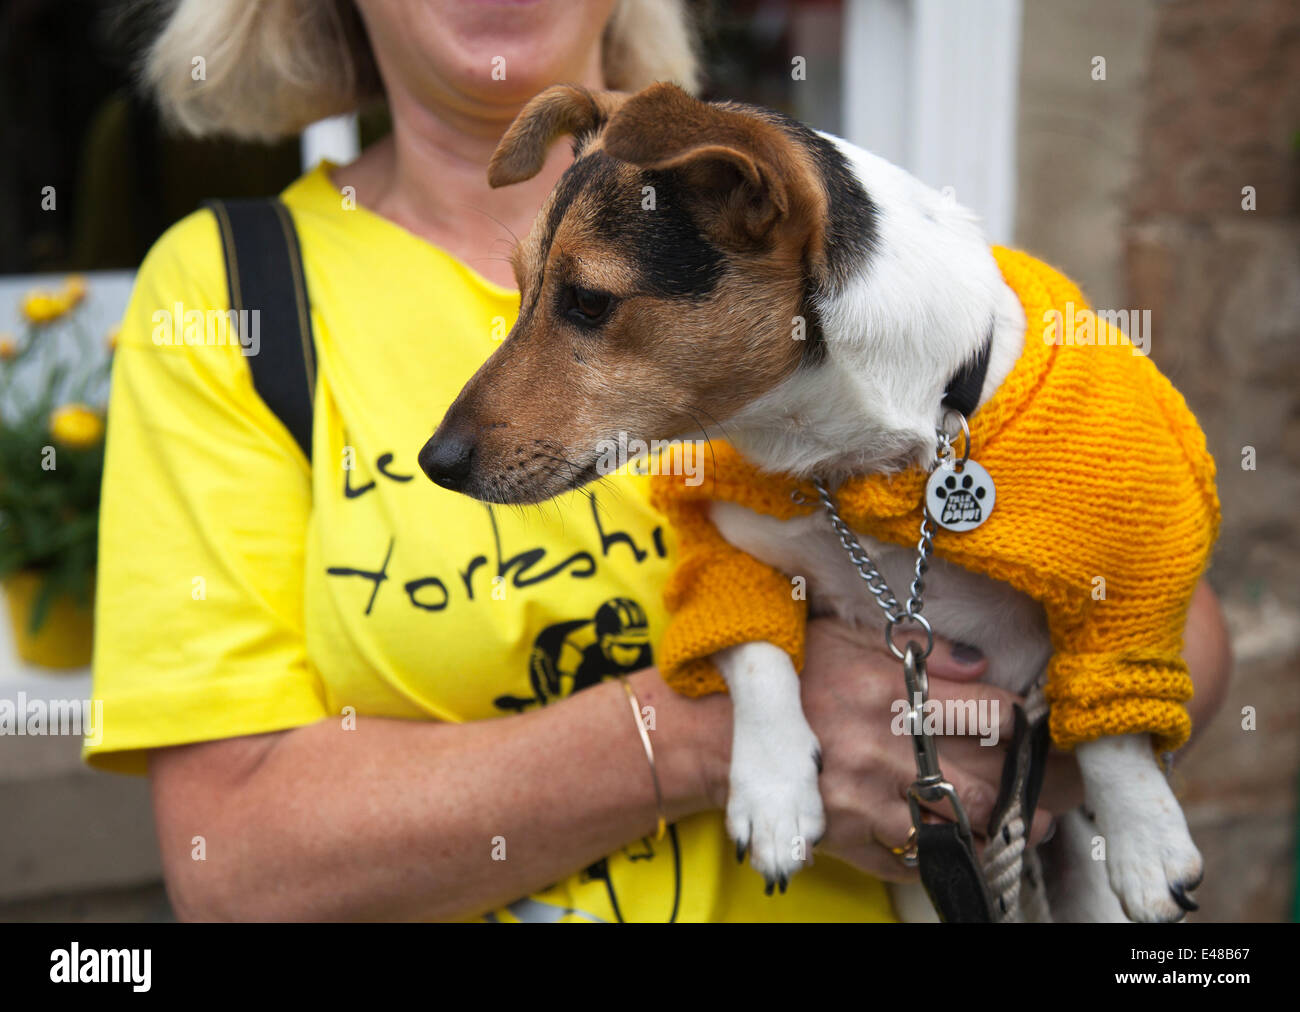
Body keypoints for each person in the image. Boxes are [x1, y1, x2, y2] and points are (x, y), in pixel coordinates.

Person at [87, 0, 1232, 922]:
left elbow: (1165, 606)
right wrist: (714, 730)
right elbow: (228, 864)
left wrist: (1029, 749)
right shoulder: (227, 296)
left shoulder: (867, 240)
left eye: (586, 304)